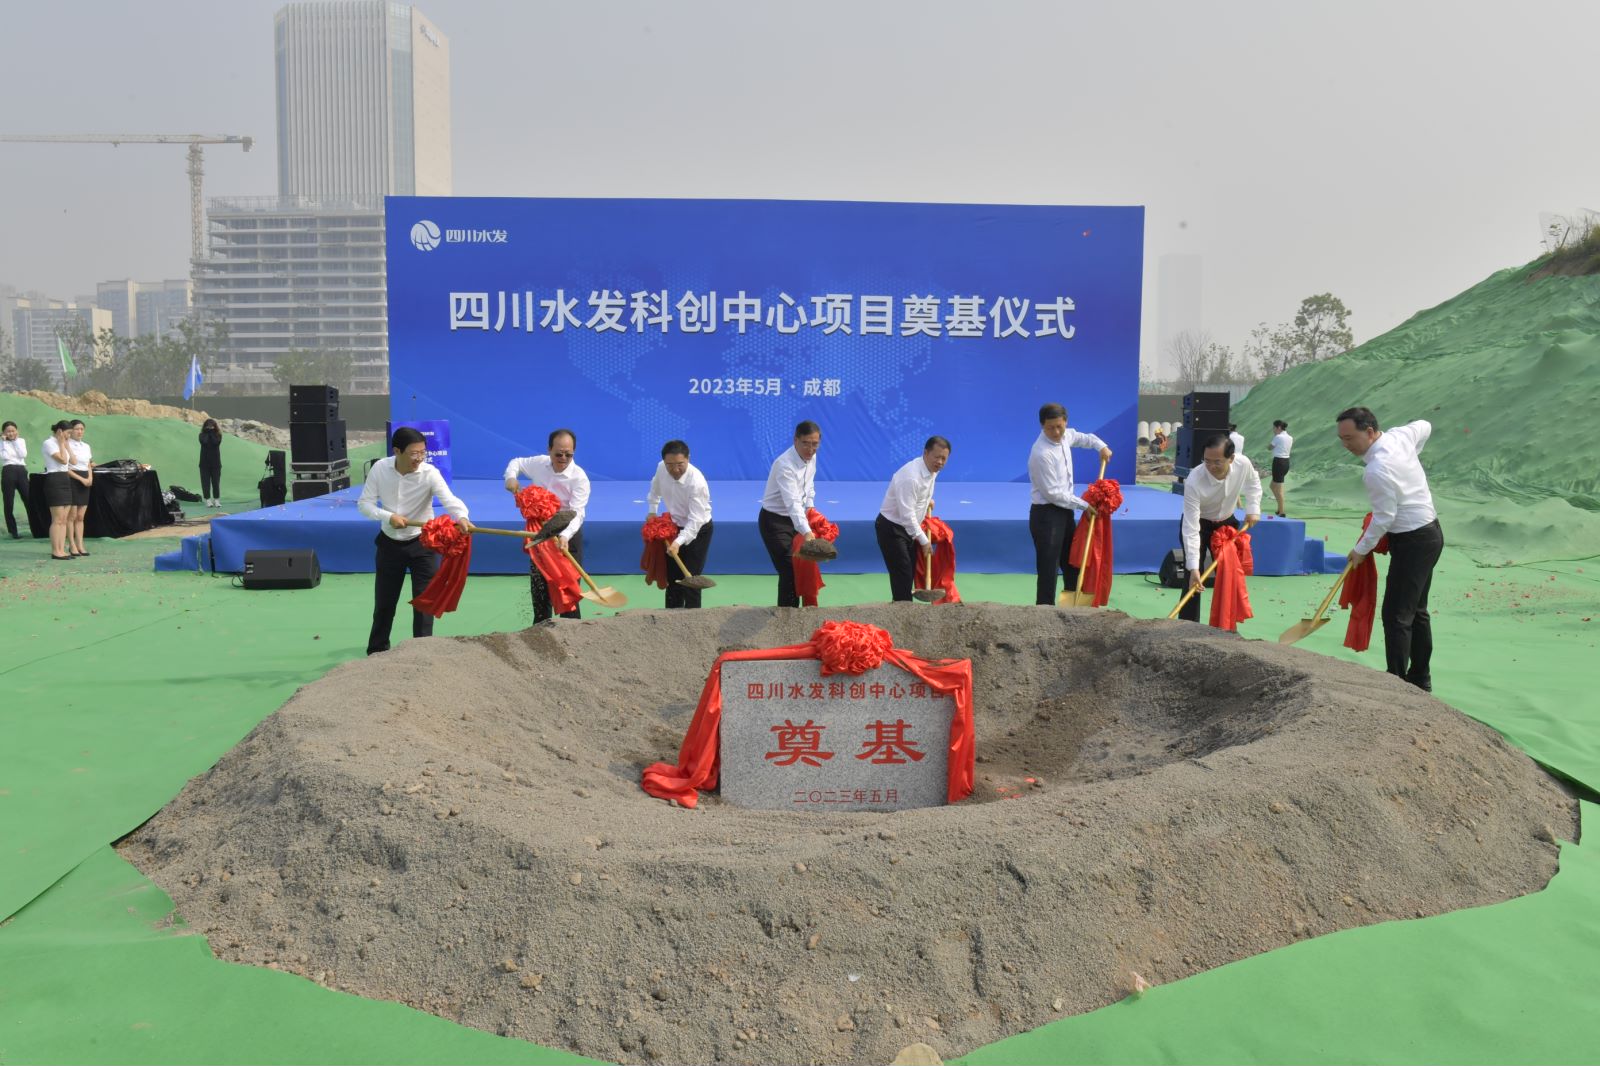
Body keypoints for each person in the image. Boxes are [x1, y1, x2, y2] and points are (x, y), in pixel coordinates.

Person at [1337, 406, 1443, 691]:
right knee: (1415, 610)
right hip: (1430, 534)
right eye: (1342, 439)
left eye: (1350, 438)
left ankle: (1397, 683)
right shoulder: (1399, 437)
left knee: (1396, 615)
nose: (1346, 445)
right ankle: (1419, 679)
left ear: (1370, 432)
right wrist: (1411, 457)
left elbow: (1384, 517)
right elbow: (1425, 424)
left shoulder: (1377, 469)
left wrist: (1360, 549)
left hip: (1413, 540)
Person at [357, 426, 470, 656]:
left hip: (422, 545)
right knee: (385, 603)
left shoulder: (429, 473)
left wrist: (462, 517)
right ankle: (376, 652)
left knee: (424, 603)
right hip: (389, 544)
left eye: (423, 453)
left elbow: (450, 500)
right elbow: (364, 504)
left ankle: (422, 653)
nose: (419, 458)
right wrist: (388, 516)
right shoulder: (380, 469)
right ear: (397, 451)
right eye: (414, 453)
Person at [1027, 403, 1112, 605]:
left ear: (1065, 422)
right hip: (1046, 515)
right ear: (1042, 426)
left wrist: (1101, 446)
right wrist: (1084, 505)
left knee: (1073, 562)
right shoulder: (1040, 454)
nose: (1056, 432)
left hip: (1065, 512)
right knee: (1048, 569)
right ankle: (1045, 612)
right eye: (1050, 428)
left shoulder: (1066, 436)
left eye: (1059, 426)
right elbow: (1054, 493)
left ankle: (1072, 609)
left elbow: (1085, 438)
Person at [505, 428, 591, 622]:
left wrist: (565, 536)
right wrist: (511, 477)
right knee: (540, 591)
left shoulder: (579, 478)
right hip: (541, 533)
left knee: (568, 591)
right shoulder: (539, 463)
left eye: (568, 454)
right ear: (549, 450)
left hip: (567, 532)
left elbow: (577, 514)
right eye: (558, 454)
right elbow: (516, 462)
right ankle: (540, 631)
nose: (563, 458)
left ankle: (572, 631)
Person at [1177, 434, 1261, 622]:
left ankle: (1225, 625)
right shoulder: (1194, 480)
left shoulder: (1243, 464)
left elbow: (1253, 483)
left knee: (1229, 574)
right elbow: (1191, 527)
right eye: (1206, 461)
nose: (1211, 467)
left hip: (1226, 524)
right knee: (1194, 576)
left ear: (1231, 458)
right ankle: (1187, 625)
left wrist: (1253, 508)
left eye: (1217, 462)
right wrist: (1193, 567)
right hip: (1199, 524)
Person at [876, 436, 950, 602]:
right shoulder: (910, 477)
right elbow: (907, 515)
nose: (940, 462)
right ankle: (904, 610)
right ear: (925, 453)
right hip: (892, 528)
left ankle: (902, 606)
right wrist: (924, 541)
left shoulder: (932, 470)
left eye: (944, 459)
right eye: (936, 457)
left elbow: (921, 492)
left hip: (908, 528)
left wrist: (926, 500)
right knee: (902, 573)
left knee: (908, 573)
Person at [758, 420, 821, 608]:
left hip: (797, 520)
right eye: (806, 443)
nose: (810, 449)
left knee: (802, 567)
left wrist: (811, 509)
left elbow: (809, 486)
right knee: (789, 570)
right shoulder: (784, 465)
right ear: (795, 440)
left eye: (815, 444)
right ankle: (787, 616)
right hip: (775, 523)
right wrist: (807, 532)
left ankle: (803, 614)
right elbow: (792, 502)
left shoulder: (812, 457)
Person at [646, 440, 714, 608]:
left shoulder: (697, 482)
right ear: (664, 461)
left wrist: (677, 543)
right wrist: (652, 510)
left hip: (698, 530)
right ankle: (671, 617)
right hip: (674, 526)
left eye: (680, 464)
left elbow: (695, 521)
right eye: (670, 465)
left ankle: (693, 618)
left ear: (688, 459)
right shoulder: (661, 468)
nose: (675, 469)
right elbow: (655, 487)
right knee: (673, 578)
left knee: (691, 579)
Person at [41, 422, 75, 560]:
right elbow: (63, 460)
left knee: (64, 519)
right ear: (60, 431)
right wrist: (61, 444)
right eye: (68, 433)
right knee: (57, 519)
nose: (69, 436)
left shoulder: (64, 443)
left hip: (65, 479)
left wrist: (66, 445)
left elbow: (73, 461)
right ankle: (56, 551)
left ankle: (62, 550)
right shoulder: (48, 443)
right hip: (54, 479)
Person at [64, 419, 93, 558]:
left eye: (82, 429)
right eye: (77, 429)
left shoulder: (86, 446)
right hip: (73, 479)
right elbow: (66, 467)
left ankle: (80, 544)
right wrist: (81, 479)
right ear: (71, 430)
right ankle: (72, 545)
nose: (80, 431)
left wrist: (90, 478)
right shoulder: (66, 444)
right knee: (72, 516)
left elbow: (88, 464)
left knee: (81, 516)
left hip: (85, 479)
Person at [1, 420, 27, 539]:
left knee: (28, 499)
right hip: (8, 471)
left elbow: (23, 454)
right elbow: (4, 456)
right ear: (3, 432)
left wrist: (15, 442)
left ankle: (37, 528)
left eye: (13, 431)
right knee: (8, 502)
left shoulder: (21, 441)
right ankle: (13, 531)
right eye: (8, 431)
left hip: (21, 470)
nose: (11, 433)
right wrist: (4, 442)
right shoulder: (1, 443)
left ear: (17, 431)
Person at [1268, 419, 1293, 517]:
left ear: (1278, 427)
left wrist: (1273, 441)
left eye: (1274, 428)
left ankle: (1282, 512)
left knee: (1279, 489)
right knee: (1272, 486)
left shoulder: (1278, 437)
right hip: (1286, 462)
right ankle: (1279, 508)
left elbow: (1269, 447)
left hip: (1279, 462)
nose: (1273, 430)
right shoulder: (1290, 437)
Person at [198, 418, 223, 509]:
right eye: (208, 426)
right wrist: (208, 432)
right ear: (205, 427)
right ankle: (208, 500)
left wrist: (211, 433)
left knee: (216, 482)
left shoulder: (218, 435)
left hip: (216, 464)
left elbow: (216, 443)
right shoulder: (201, 435)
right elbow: (204, 442)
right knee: (205, 483)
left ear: (215, 427)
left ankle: (216, 500)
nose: (210, 428)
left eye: (211, 426)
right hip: (204, 464)